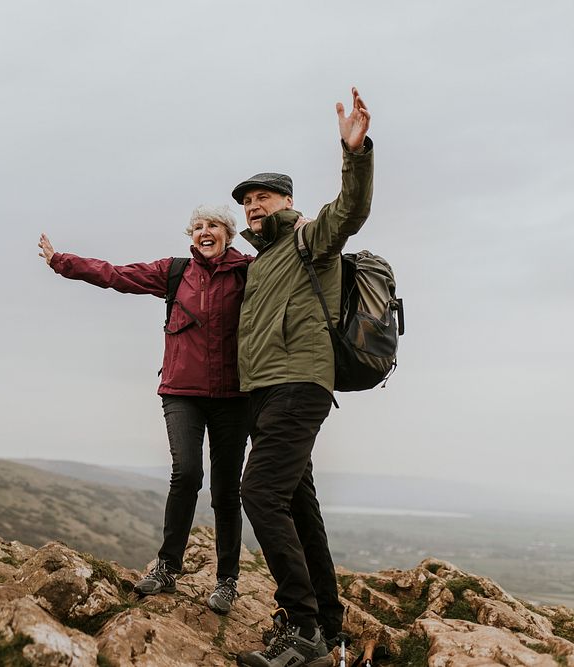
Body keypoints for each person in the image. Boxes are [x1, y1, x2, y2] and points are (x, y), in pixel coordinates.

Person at [38, 205, 253, 613]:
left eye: (214, 226)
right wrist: (62, 262)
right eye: (198, 227)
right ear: (192, 236)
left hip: (233, 397)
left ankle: (227, 580)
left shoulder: (250, 272)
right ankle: (168, 567)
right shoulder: (174, 272)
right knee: (186, 473)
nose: (205, 232)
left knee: (227, 490)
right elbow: (116, 275)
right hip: (181, 392)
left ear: (228, 233)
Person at [231, 87, 373, 667]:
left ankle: (302, 630)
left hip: (298, 386)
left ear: (286, 199)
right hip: (268, 394)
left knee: (259, 494)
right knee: (297, 504)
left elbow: (351, 211)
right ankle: (329, 628)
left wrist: (355, 154)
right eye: (246, 202)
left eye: (261, 197)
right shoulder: (261, 261)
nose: (252, 207)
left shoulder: (307, 238)